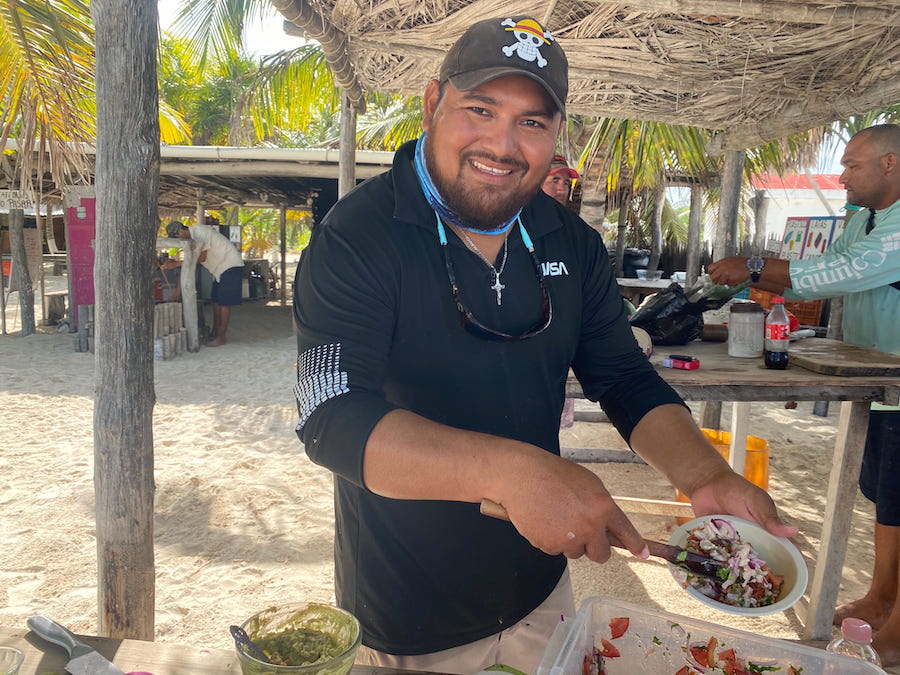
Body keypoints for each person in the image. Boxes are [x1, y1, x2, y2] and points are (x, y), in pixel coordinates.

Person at [293, 16, 797, 674]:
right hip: (408, 610)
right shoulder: (358, 236)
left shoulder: (570, 241)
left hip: (541, 590)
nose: (502, 144)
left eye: (532, 122)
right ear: (431, 101)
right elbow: (330, 417)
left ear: (557, 133)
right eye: (480, 109)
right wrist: (511, 471)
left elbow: (622, 376)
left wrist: (706, 475)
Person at [708, 123, 900, 667]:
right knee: (888, 497)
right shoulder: (861, 218)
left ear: (890, 164)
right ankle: (884, 597)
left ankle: (899, 630)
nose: (842, 176)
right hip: (877, 378)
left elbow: (836, 273)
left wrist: (752, 266)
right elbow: (837, 286)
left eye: (853, 165)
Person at [542, 154, 580, 429]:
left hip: (558, 354)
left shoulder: (576, 235)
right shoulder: (504, 227)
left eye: (565, 183)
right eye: (554, 180)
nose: (561, 188)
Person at [164, 220, 243, 346]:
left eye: (177, 237)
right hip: (219, 270)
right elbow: (188, 265)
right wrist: (176, 293)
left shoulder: (199, 232)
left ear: (180, 231)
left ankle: (221, 337)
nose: (179, 241)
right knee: (216, 302)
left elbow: (201, 258)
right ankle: (215, 332)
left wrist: (175, 264)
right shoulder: (191, 241)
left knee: (224, 303)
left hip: (230, 265)